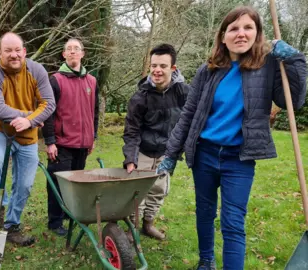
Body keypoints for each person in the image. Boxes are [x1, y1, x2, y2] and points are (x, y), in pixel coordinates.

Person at [157, 6, 307, 270]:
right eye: (234, 28)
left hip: (239, 158)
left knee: (233, 223)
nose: (241, 34)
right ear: (223, 36)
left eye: (248, 27)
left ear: (258, 33)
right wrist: (170, 154)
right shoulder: (209, 70)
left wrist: (296, 61)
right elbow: (189, 113)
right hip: (204, 153)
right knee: (204, 212)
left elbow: (292, 101)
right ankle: (206, 261)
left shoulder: (268, 66)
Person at [0, 32, 55, 246]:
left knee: (25, 185)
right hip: (0, 130)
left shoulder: (36, 70)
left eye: (17, 50)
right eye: (8, 50)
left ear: (24, 52)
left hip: (28, 137)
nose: (13, 55)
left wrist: (29, 123)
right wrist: (31, 116)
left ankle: (12, 226)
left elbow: (48, 103)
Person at [122, 43, 189, 241]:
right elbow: (131, 131)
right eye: (153, 66)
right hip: (143, 151)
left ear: (173, 68)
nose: (157, 71)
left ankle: (148, 225)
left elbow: (191, 123)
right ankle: (132, 228)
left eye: (163, 66)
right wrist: (131, 159)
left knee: (158, 190)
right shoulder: (140, 98)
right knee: (136, 192)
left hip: (167, 153)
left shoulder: (184, 93)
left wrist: (178, 151)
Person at [42, 38, 99, 236]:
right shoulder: (55, 80)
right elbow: (48, 112)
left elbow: (95, 111)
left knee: (75, 183)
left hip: (82, 143)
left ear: (83, 54)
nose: (73, 52)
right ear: (64, 55)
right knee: (58, 183)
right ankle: (55, 221)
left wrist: (93, 136)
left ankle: (69, 214)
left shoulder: (91, 81)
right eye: (69, 49)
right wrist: (50, 142)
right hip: (62, 143)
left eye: (76, 49)